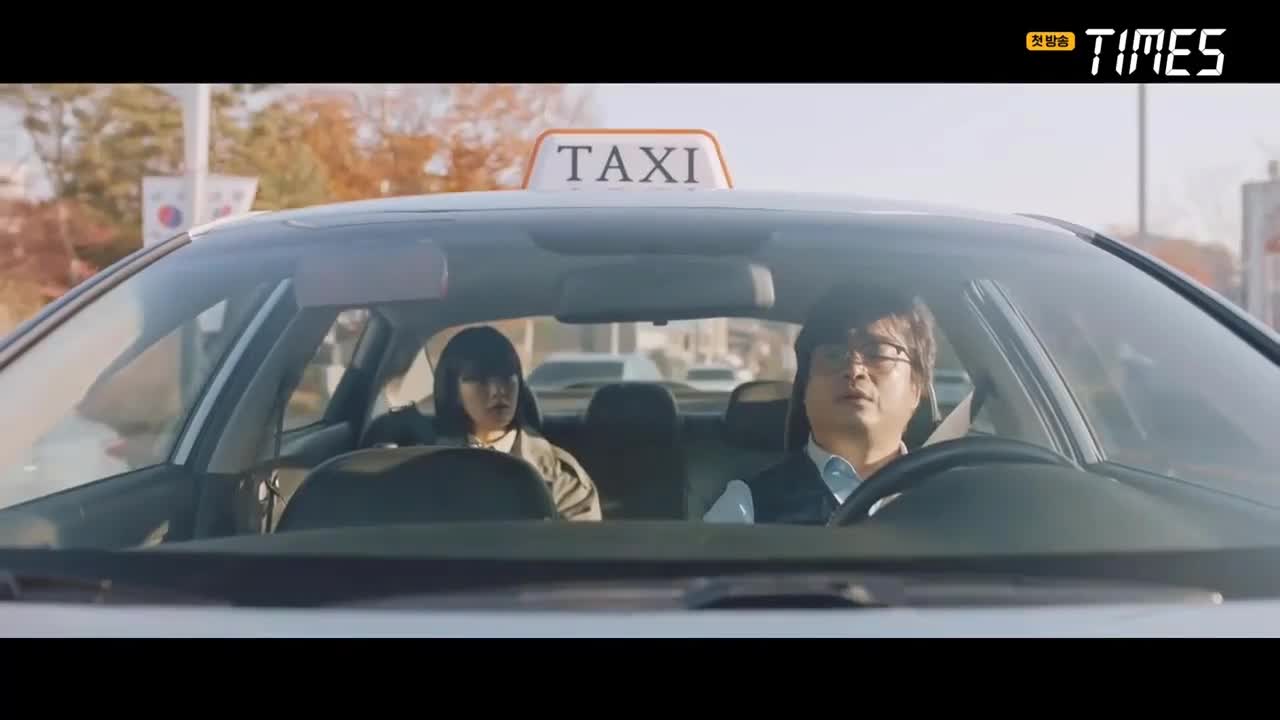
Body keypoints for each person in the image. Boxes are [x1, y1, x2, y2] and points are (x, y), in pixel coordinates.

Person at [704, 283, 937, 524]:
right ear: (805, 387)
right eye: (833, 355)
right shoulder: (747, 508)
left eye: (877, 352)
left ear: (916, 387)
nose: (854, 369)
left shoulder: (949, 497)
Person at [432, 326, 602, 522]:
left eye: (506, 375)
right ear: (454, 392)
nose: (497, 391)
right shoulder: (426, 466)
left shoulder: (558, 475)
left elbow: (581, 539)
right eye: (479, 378)